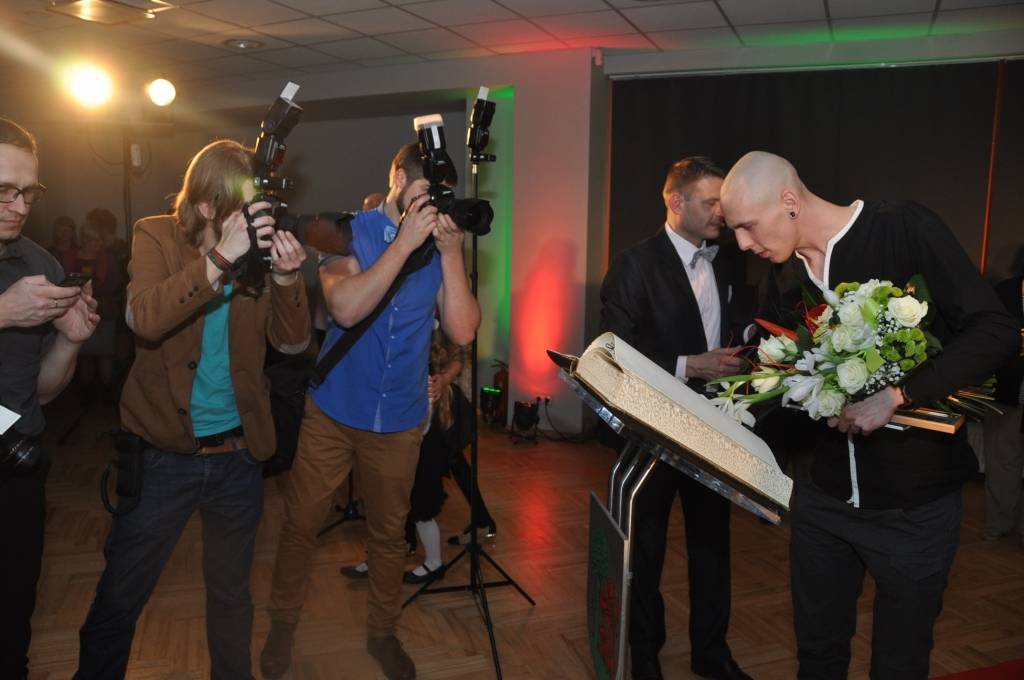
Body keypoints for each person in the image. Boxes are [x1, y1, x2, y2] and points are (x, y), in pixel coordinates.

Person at [719, 150, 1019, 679]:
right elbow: (787, 384)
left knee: (899, 665)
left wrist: (900, 394)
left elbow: (995, 332)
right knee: (817, 658)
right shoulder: (784, 281)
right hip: (822, 501)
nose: (743, 244)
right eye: (734, 231)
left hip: (914, 508)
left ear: (789, 201)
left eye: (747, 226)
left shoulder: (902, 229)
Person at [74, 139, 310, 680]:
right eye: (245, 211)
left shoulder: (256, 258)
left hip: (238, 457)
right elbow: (144, 319)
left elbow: (294, 345)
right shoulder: (156, 235)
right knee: (121, 595)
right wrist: (220, 258)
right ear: (207, 206)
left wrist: (287, 278)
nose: (257, 223)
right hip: (163, 457)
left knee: (231, 597)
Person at [260, 142, 480, 680]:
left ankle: (382, 634)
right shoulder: (346, 231)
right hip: (333, 414)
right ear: (398, 179)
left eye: (441, 198)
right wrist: (403, 244)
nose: (434, 207)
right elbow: (345, 307)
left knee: (388, 535)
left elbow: (463, 330)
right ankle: (282, 626)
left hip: (400, 420)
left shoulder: (440, 247)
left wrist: (451, 254)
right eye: (426, 194)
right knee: (301, 524)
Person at [599, 156, 751, 680]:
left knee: (713, 546)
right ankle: (645, 656)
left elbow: (736, 327)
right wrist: (690, 365)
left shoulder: (731, 261)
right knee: (646, 549)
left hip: (714, 428)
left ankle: (712, 653)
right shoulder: (633, 265)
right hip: (651, 431)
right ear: (675, 201)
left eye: (722, 204)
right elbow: (612, 354)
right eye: (710, 203)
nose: (720, 214)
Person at [0, 117, 99, 680]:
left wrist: (69, 342)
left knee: (14, 613)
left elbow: (40, 390)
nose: (18, 206)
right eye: (3, 191)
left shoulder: (40, 265)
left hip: (16, 463)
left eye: (28, 192)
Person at [982, 272, 1023, 547]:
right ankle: (999, 522)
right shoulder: (1005, 291)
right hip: (1006, 390)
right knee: (1001, 461)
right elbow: (985, 336)